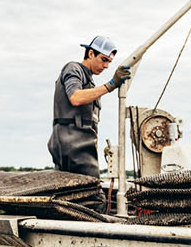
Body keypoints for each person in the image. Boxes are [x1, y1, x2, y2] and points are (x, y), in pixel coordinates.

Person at [48, 36, 132, 178]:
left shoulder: (90, 83)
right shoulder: (73, 68)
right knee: (93, 192)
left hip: (81, 145)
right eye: (104, 59)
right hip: (72, 144)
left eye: (109, 62)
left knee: (76, 192)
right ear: (91, 53)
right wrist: (111, 84)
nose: (106, 66)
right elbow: (75, 97)